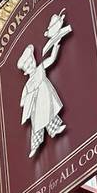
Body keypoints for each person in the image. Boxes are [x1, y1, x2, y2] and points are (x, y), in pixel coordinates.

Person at [18, 10, 72, 157]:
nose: (30, 66)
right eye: (27, 66)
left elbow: (52, 60)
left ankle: (55, 130)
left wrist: (56, 45)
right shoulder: (28, 84)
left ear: (34, 61)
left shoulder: (40, 69)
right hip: (36, 104)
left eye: (30, 63)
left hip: (46, 98)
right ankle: (35, 146)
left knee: (50, 116)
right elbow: (23, 100)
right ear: (25, 71)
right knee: (37, 125)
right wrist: (26, 101)